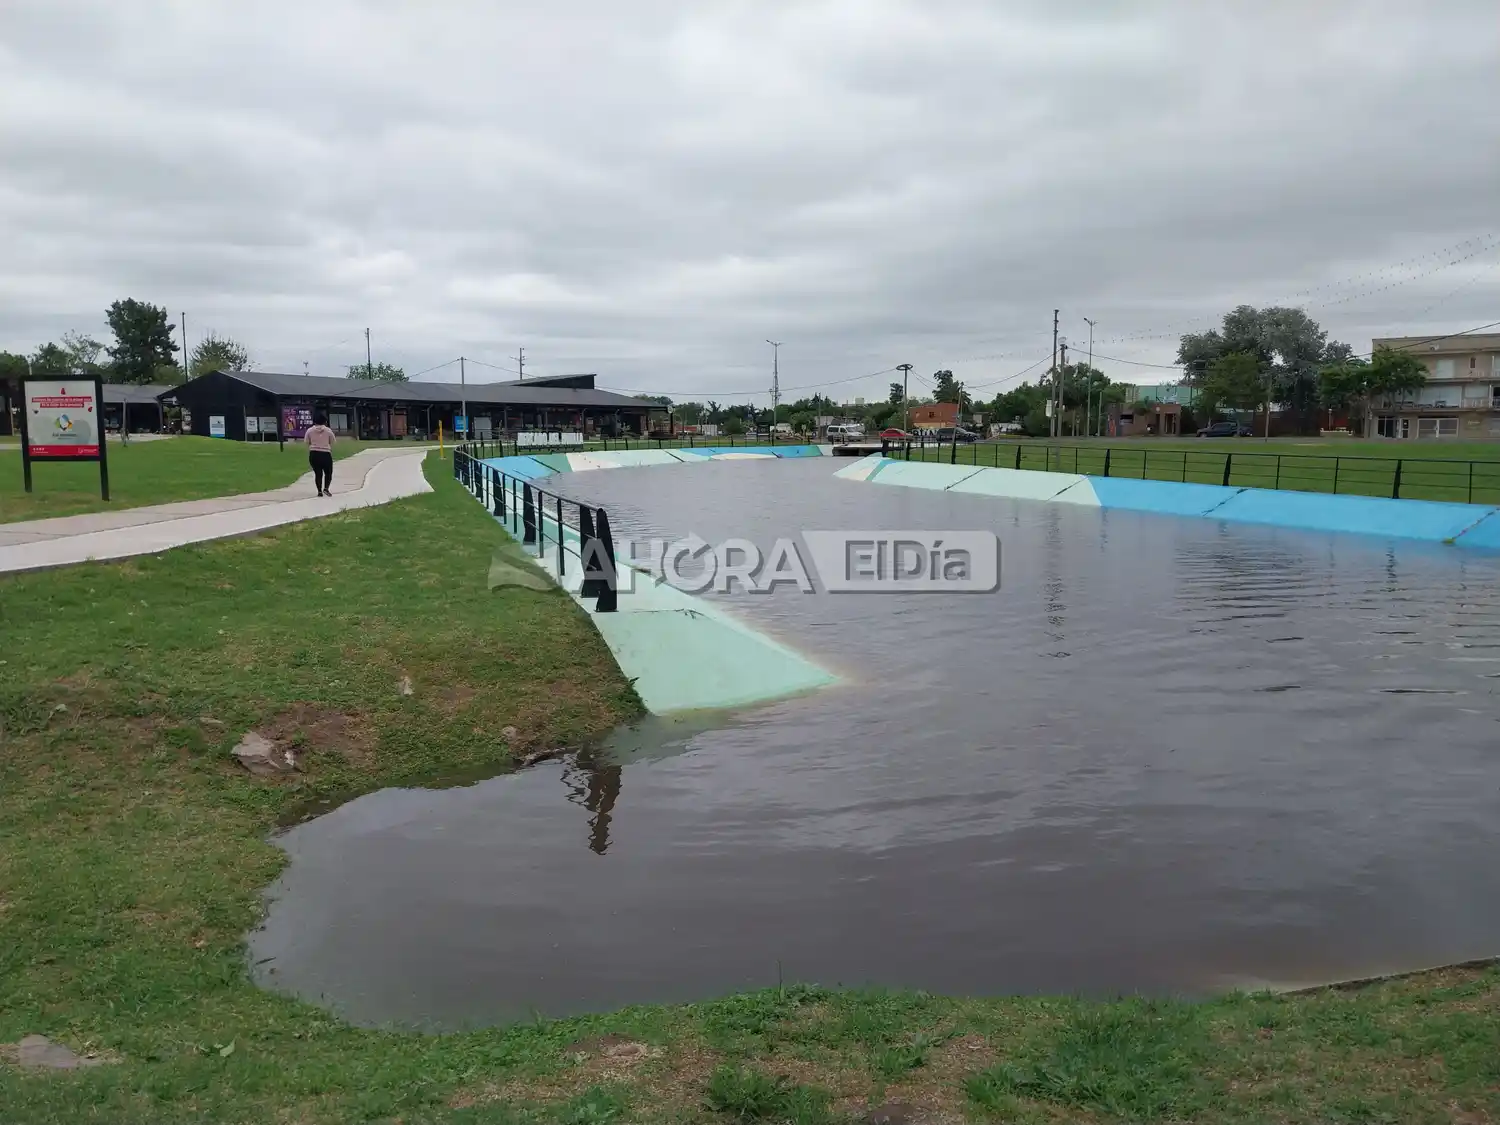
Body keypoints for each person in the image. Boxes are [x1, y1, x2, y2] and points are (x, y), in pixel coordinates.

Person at [304, 412, 336, 496]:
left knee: (318, 473)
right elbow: (333, 441)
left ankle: (319, 491)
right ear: (325, 421)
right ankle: (326, 488)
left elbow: (306, 442)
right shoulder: (328, 431)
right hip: (325, 454)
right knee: (328, 473)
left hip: (314, 454)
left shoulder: (309, 430)